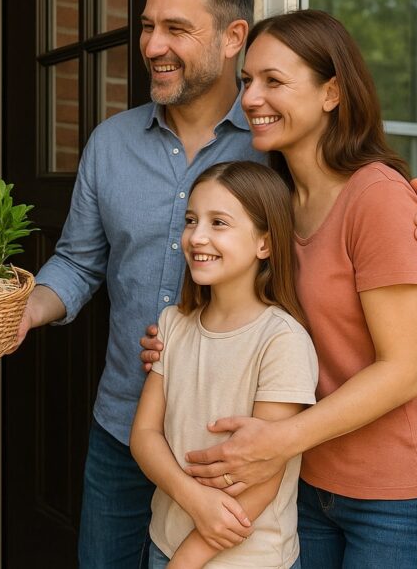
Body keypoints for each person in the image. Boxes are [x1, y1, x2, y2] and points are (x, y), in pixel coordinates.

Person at [17, 0, 417, 568]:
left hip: (254, 448)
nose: (152, 46)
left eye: (176, 28)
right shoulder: (113, 145)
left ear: (232, 37)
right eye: (147, 26)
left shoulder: (274, 147)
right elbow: (79, 262)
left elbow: (360, 203)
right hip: (132, 427)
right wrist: (23, 312)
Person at [142, 9, 417, 567]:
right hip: (306, 484)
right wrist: (180, 341)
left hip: (401, 497)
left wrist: (275, 441)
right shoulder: (273, 199)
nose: (251, 98)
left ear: (331, 92)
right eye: (248, 81)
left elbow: (402, 371)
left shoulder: (379, 199)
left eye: (275, 81)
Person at [131, 161, 318, 569]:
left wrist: (185, 561)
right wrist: (192, 498)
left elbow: (265, 478)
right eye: (191, 220)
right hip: (166, 541)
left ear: (264, 244)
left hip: (248, 559)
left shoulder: (281, 341)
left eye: (219, 223)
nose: (197, 236)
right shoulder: (173, 324)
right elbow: (144, 434)